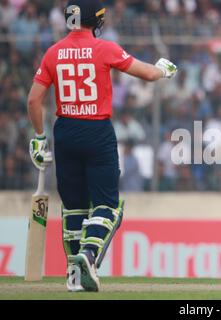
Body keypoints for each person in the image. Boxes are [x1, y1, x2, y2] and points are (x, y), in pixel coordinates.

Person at [27, 0, 177, 292]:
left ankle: (74, 276)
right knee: (108, 206)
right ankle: (89, 255)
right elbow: (146, 74)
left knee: (73, 209)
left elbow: (34, 100)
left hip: (65, 130)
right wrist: (163, 70)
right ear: (94, 20)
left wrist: (39, 138)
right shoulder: (104, 48)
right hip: (97, 130)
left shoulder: (53, 52)